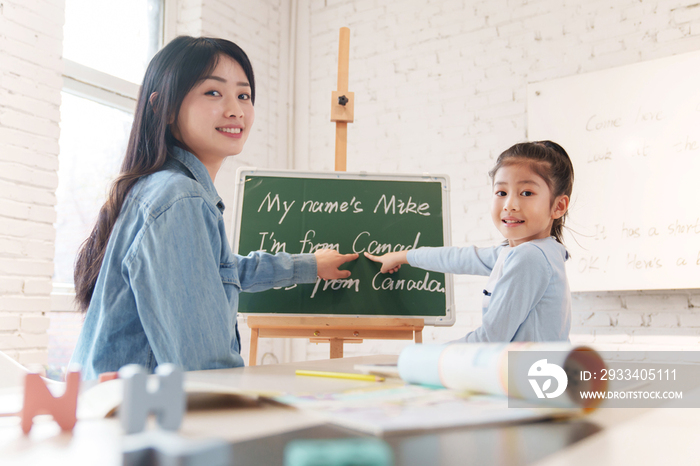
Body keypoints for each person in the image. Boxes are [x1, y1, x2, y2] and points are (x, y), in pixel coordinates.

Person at [70, 36, 358, 379]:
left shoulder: (160, 188)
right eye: (213, 92)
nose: (235, 109)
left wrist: (308, 265)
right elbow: (205, 368)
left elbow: (219, 270)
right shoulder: (180, 199)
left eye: (244, 95)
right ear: (165, 107)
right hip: (140, 417)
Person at [366, 141, 574, 342]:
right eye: (501, 192)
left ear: (558, 206)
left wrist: (426, 356)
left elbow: (491, 338)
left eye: (526, 193)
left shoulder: (529, 257)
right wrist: (401, 256)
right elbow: (458, 258)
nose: (510, 205)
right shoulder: (534, 252)